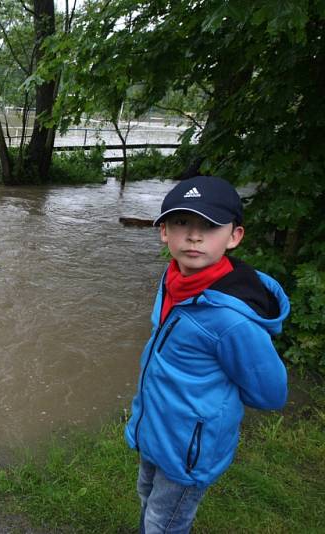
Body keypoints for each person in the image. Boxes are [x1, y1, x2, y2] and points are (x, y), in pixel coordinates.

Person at [124, 175, 290, 534]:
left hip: (189, 450)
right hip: (155, 429)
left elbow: (270, 393)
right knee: (146, 497)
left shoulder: (231, 320)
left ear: (234, 236)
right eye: (181, 222)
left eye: (210, 226)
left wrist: (209, 405)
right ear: (164, 232)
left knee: (163, 523)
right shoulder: (173, 281)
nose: (194, 235)